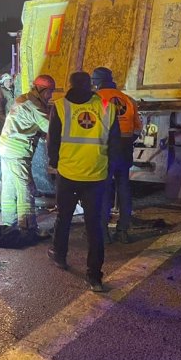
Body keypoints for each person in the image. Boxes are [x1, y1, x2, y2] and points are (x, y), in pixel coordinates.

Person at [47, 71, 120, 292]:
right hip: (96, 174)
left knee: (64, 216)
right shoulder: (106, 107)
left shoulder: (60, 106)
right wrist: (110, 169)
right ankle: (94, 276)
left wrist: (55, 163)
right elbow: (115, 143)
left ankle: (60, 256)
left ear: (70, 84)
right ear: (91, 85)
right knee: (94, 225)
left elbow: (53, 140)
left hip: (68, 173)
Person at [0, 74, 55, 234]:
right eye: (50, 92)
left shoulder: (23, 99)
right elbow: (50, 127)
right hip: (18, 151)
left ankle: (8, 221)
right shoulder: (34, 105)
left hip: (6, 147)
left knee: (9, 186)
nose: (51, 95)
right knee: (25, 188)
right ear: (41, 90)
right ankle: (27, 226)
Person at [92, 67, 142, 244]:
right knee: (124, 188)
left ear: (96, 82)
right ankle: (123, 231)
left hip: (105, 148)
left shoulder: (96, 99)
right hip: (125, 147)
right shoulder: (128, 100)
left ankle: (103, 233)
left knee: (104, 189)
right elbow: (137, 128)